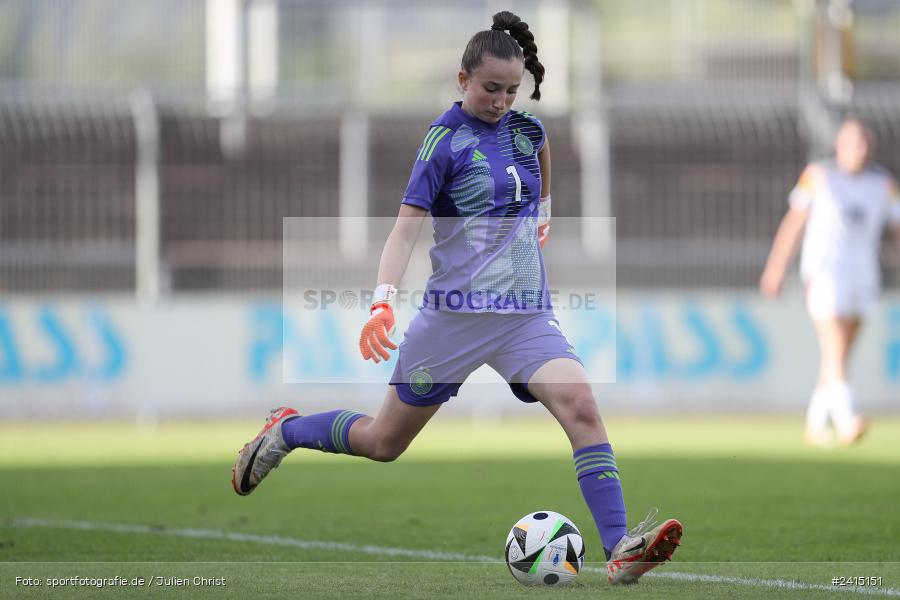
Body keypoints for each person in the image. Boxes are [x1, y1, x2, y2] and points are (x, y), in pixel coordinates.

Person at [233, 11, 682, 584]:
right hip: (452, 320)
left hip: (524, 316)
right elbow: (403, 230)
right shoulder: (442, 142)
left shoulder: (529, 132)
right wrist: (382, 301)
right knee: (383, 442)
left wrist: (542, 214)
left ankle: (621, 549)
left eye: (511, 90)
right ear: (462, 79)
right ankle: (287, 429)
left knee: (582, 407)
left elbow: (543, 169)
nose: (501, 100)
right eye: (490, 88)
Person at [761, 118, 900, 447]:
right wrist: (776, 266)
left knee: (837, 355)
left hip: (863, 276)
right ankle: (848, 417)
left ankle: (815, 423)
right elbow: (794, 223)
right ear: (839, 146)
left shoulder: (883, 184)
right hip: (824, 274)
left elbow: (896, 228)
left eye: (865, 143)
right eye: (853, 143)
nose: (860, 150)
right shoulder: (818, 177)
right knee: (834, 347)